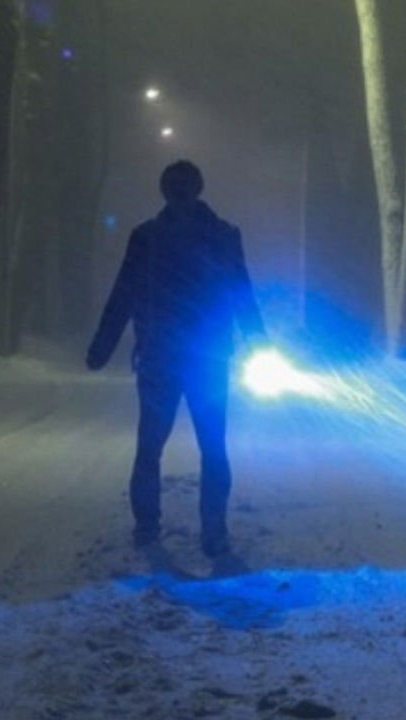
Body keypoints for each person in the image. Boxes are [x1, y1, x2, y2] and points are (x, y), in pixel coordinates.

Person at [86, 160, 267, 557]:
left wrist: (102, 346)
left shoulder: (147, 237)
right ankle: (212, 533)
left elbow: (123, 294)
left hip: (161, 357)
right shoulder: (223, 235)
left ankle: (148, 529)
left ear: (165, 191)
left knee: (151, 448)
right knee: (211, 448)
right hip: (206, 359)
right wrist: (258, 343)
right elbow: (241, 293)